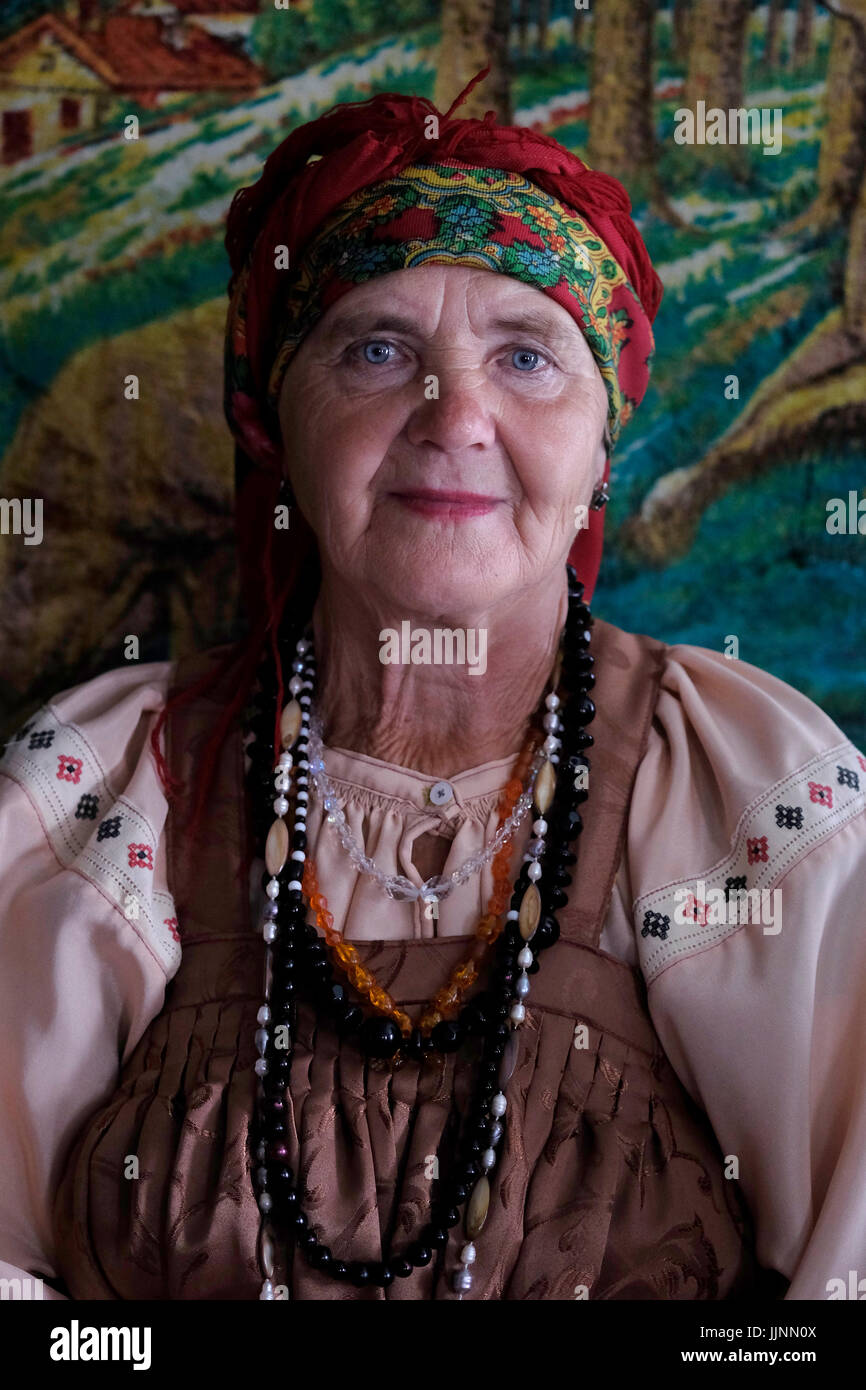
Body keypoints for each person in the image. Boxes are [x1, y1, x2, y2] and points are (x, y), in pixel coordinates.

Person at [1, 83, 864, 1302]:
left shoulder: (738, 792)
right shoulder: (106, 796)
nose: (453, 415)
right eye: (375, 349)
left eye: (524, 355)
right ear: (275, 425)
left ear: (602, 443)